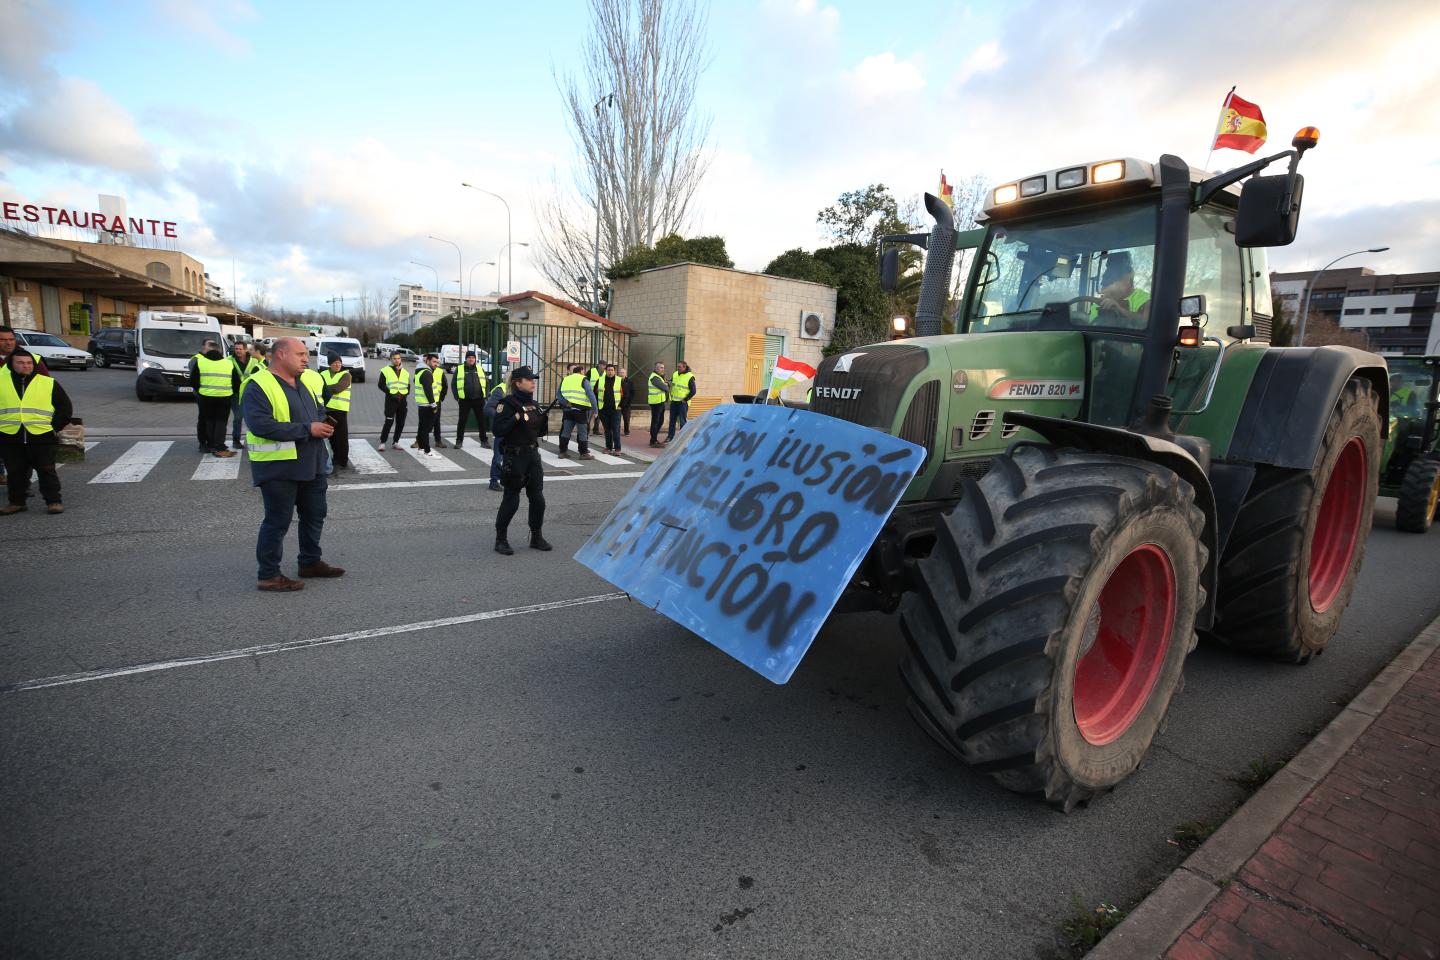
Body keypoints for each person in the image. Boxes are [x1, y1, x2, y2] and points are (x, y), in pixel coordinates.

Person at [241, 337, 343, 591]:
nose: (305, 359)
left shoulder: (304, 382)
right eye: (300, 354)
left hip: (312, 464)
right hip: (279, 467)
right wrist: (308, 428)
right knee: (277, 521)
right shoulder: (257, 385)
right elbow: (260, 425)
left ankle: (310, 562)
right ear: (281, 355)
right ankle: (268, 574)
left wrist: (323, 422)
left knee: (315, 514)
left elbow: (318, 410)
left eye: (305, 354)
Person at [0, 348, 71, 515]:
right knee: (15, 472)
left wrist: (55, 427)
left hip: (41, 435)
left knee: (46, 469)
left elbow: (65, 407)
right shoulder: (2, 383)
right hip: (11, 435)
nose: (26, 366)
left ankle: (53, 501)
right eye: (20, 362)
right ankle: (17, 502)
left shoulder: (47, 382)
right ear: (11, 364)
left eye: (29, 363)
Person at [491, 366, 552, 555]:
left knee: (538, 498)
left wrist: (543, 418)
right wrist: (516, 417)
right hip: (514, 457)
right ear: (518, 383)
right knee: (511, 500)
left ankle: (536, 536)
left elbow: (539, 432)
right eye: (529, 379)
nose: (533, 382)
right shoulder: (507, 403)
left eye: (534, 379)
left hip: (532, 455)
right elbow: (498, 430)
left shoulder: (534, 403)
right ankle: (501, 539)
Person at [189, 339, 240, 458]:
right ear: (219, 351)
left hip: (205, 397)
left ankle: (206, 444)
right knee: (221, 422)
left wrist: (201, 391)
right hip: (224, 398)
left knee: (206, 421)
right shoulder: (228, 363)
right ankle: (219, 445)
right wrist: (230, 393)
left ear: (208, 351)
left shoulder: (201, 362)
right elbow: (236, 383)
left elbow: (193, 381)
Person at [1088, 252, 1151, 327]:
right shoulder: (1098, 304)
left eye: (1111, 281)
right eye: (1105, 284)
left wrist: (1120, 310)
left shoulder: (1146, 300)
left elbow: (1147, 325)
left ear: (1128, 278)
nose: (1103, 292)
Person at [319, 352, 352, 472]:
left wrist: (324, 388)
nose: (338, 364)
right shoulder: (322, 374)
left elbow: (338, 388)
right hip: (326, 409)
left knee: (341, 437)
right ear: (330, 364)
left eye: (339, 362)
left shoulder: (346, 375)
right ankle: (335, 458)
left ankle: (343, 461)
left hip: (340, 409)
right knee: (331, 436)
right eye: (335, 362)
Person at [557, 363, 597, 460]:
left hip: (568, 410)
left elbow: (558, 395)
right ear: (581, 371)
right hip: (580, 410)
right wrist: (595, 409)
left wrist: (566, 403)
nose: (584, 374)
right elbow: (591, 394)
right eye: (583, 372)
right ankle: (583, 453)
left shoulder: (565, 379)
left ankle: (562, 452)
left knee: (566, 432)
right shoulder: (583, 380)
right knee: (582, 432)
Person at [452, 351, 491, 449]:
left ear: (475, 359)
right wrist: (457, 397)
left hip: (479, 399)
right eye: (469, 357)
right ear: (466, 359)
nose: (471, 359)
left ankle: (484, 441)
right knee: (462, 421)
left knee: (481, 421)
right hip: (464, 400)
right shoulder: (460, 369)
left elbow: (486, 383)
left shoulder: (480, 369)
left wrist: (485, 395)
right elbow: (453, 385)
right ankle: (459, 441)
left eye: (473, 357)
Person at [229, 341, 263, 449]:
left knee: (252, 418)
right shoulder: (229, 360)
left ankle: (254, 439)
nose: (238, 351)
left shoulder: (254, 360)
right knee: (238, 418)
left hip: (249, 394)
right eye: (236, 349)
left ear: (245, 349)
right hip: (235, 394)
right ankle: (236, 440)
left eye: (240, 349)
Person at [412, 354, 444, 459]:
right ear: (428, 361)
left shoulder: (420, 371)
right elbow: (428, 390)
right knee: (426, 429)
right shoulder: (427, 373)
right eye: (434, 362)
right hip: (428, 405)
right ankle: (427, 451)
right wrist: (434, 405)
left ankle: (421, 448)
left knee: (422, 428)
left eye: (437, 362)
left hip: (422, 405)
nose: (436, 364)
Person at [378, 351, 411, 450]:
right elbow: (381, 385)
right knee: (389, 422)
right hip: (391, 400)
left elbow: (408, 386)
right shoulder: (385, 370)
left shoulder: (405, 372)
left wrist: (404, 394)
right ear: (391, 359)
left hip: (402, 401)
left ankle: (395, 442)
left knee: (400, 423)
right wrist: (391, 393)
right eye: (394, 358)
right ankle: (382, 442)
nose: (397, 360)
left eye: (398, 358)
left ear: (401, 359)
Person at [484, 375, 509, 491]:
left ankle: (506, 479)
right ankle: (494, 480)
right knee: (499, 455)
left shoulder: (515, 390)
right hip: (502, 428)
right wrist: (500, 418)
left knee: (509, 455)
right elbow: (488, 408)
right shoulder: (501, 390)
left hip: (512, 428)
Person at [597, 362, 623, 453]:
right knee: (607, 430)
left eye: (612, 370)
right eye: (608, 370)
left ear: (614, 371)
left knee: (615, 429)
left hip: (616, 409)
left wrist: (621, 406)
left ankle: (617, 448)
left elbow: (626, 395)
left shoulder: (620, 380)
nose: (610, 372)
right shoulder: (600, 380)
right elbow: (595, 393)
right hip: (603, 409)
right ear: (605, 371)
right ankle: (608, 447)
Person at [667, 360, 696, 441]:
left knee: (682, 421)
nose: (678, 368)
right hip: (674, 401)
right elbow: (672, 382)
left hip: (683, 403)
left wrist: (686, 399)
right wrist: (668, 382)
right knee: (672, 420)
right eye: (677, 366)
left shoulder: (690, 376)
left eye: (679, 367)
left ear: (684, 367)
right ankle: (670, 437)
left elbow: (693, 391)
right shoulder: (675, 373)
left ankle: (682, 439)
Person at [648, 361, 670, 448]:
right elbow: (664, 387)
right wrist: (666, 385)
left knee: (660, 421)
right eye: (661, 367)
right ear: (656, 368)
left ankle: (654, 439)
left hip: (660, 402)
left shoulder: (660, 377)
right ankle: (653, 441)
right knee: (655, 422)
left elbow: (666, 385)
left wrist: (666, 384)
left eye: (663, 368)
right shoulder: (654, 377)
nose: (662, 369)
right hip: (655, 402)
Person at [619, 366, 634, 436]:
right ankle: (616, 430)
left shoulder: (630, 381)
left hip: (626, 403)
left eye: (623, 373)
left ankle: (626, 431)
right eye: (620, 373)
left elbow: (633, 392)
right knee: (617, 418)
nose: (622, 374)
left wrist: (629, 402)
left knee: (626, 418)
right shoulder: (617, 381)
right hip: (618, 403)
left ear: (626, 374)